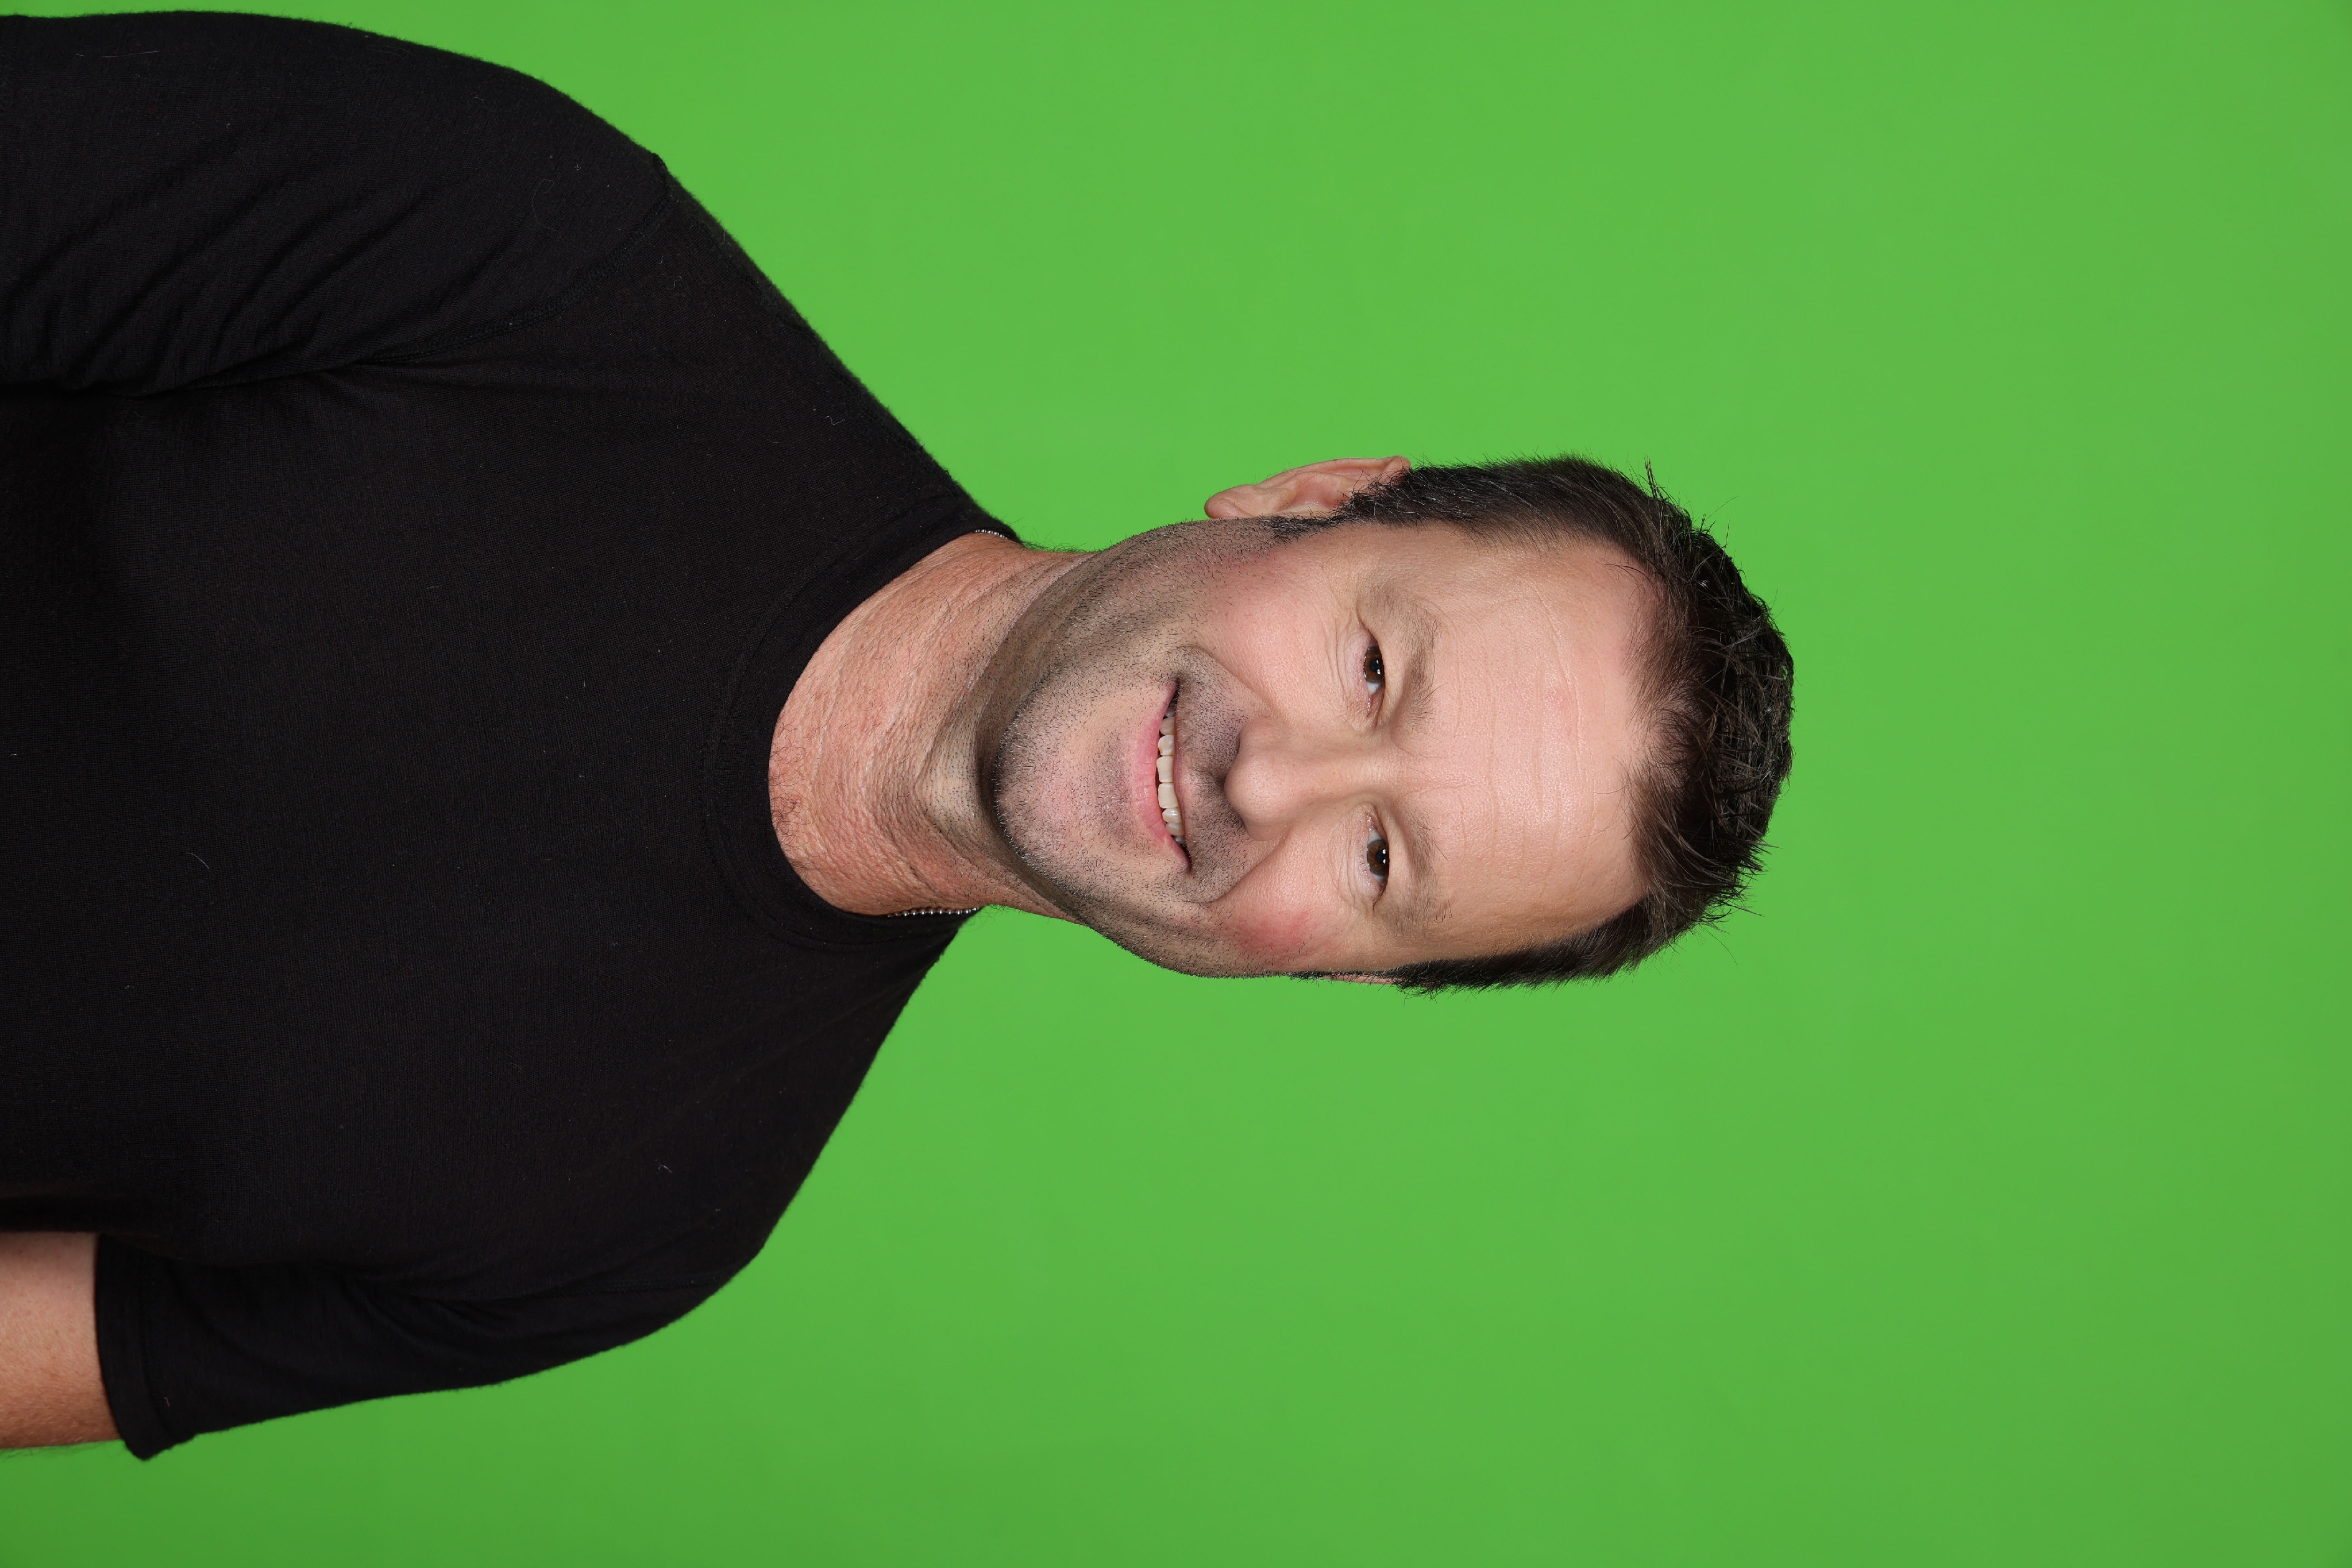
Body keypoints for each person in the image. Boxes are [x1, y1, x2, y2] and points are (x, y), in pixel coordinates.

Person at [0, 11, 1793, 1456]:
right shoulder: (527, 256)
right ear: (1312, 500)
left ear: (1339, 972)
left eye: (1384, 858)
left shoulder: (637, 1229)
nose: (1272, 779)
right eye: (1375, 672)